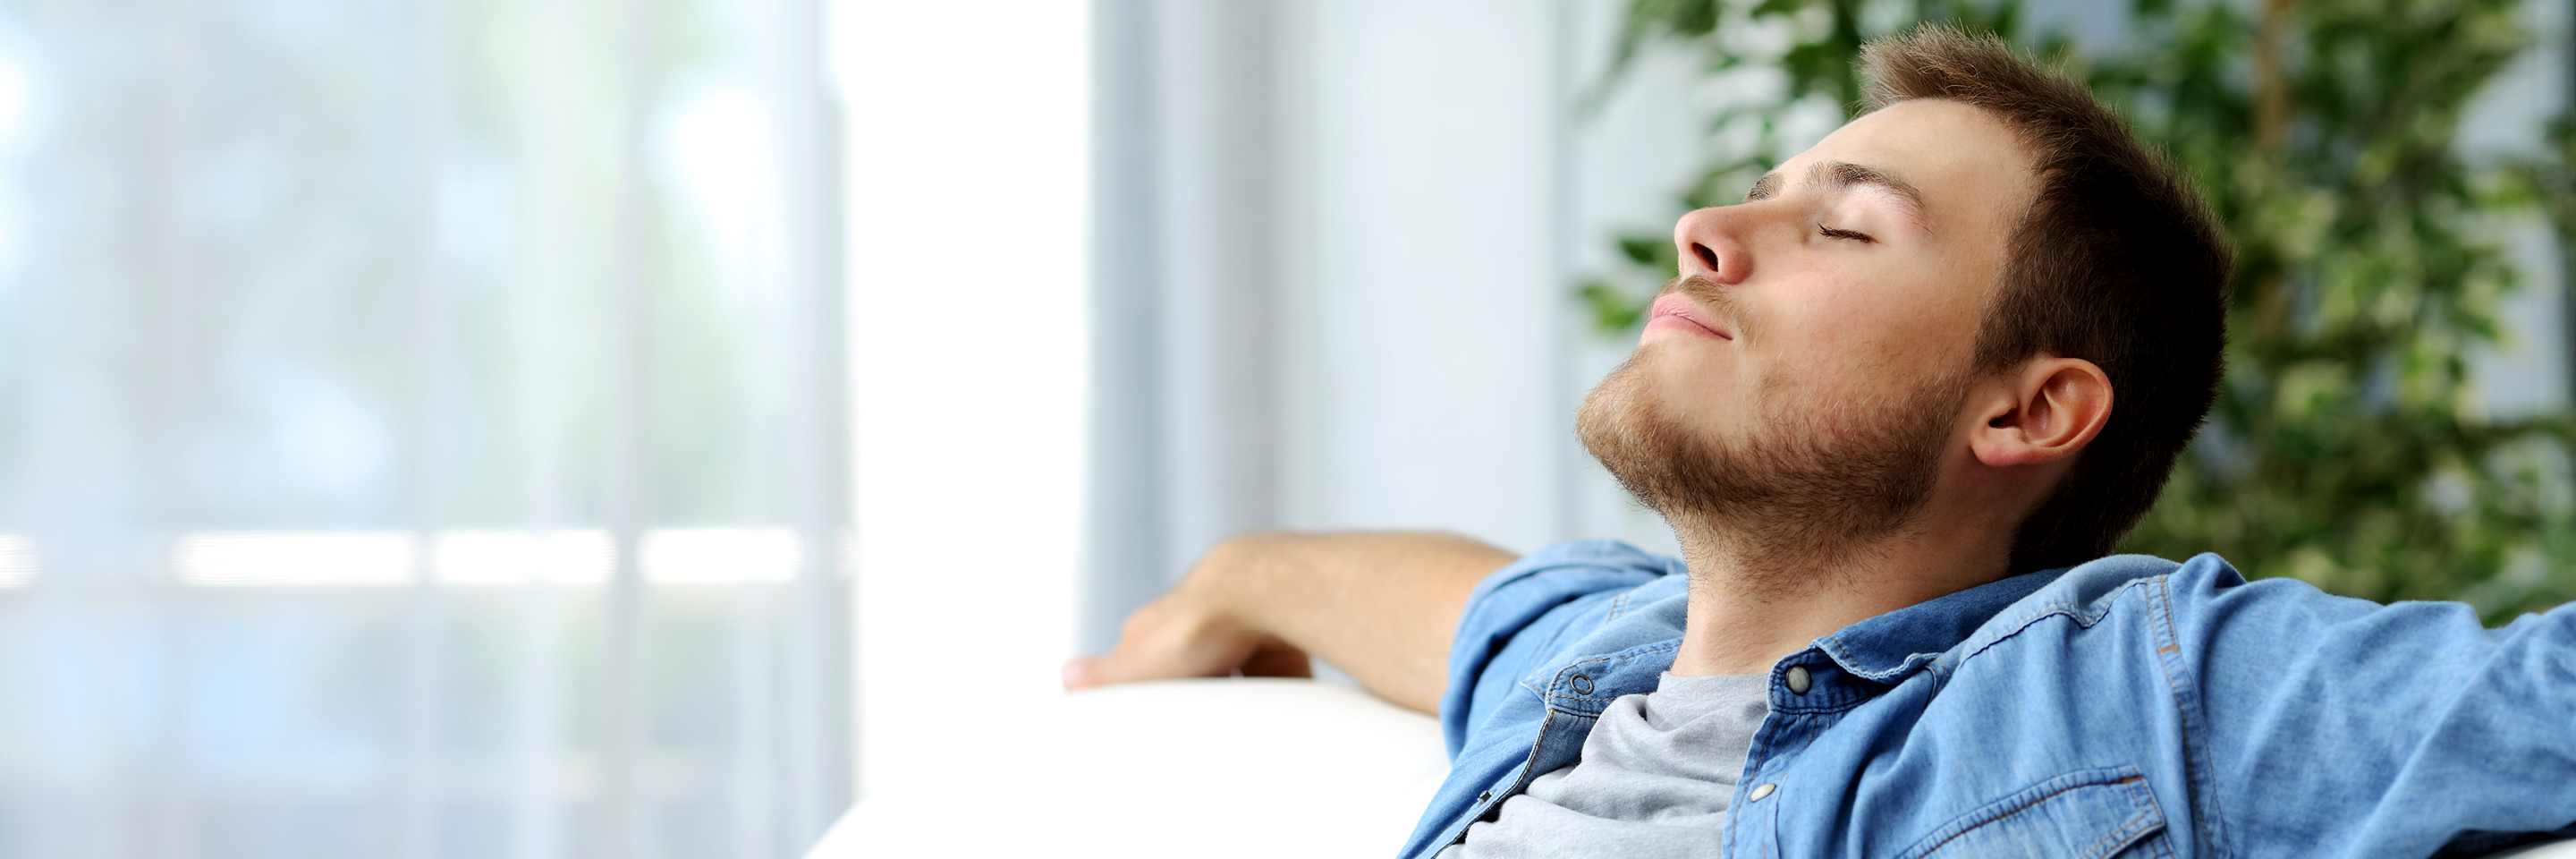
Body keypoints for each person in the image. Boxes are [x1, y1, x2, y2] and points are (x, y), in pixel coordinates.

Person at [1062, 26, 2576, 859]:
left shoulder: (2127, 688)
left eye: (1844, 228)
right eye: (1755, 195)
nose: (1705, 231)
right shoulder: (1598, 656)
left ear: (2028, 411)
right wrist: (1226, 585)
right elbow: (1431, 598)